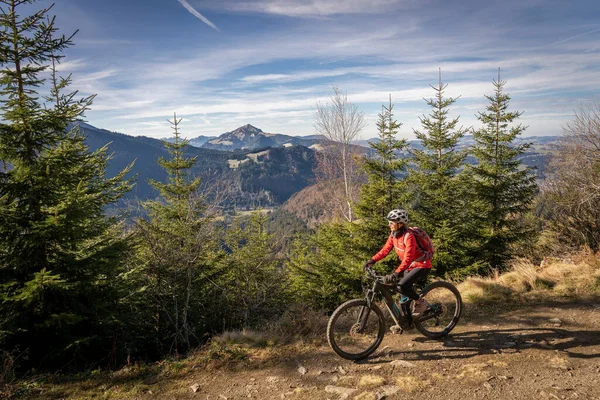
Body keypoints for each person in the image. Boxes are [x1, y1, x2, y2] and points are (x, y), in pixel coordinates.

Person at [362, 209, 431, 315]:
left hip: (422, 265)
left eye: (391, 222)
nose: (389, 225)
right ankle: (406, 322)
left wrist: (396, 273)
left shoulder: (409, 237)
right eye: (389, 222)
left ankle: (421, 302)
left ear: (400, 224)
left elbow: (408, 258)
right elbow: (385, 250)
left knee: (401, 286)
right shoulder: (393, 235)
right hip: (409, 266)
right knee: (403, 295)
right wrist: (372, 260)